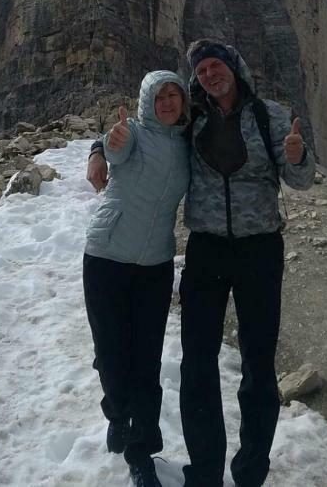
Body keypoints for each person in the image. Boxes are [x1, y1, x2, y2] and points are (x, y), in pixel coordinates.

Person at [87, 40, 315, 487]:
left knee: (258, 366)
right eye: (203, 70)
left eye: (217, 66)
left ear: (235, 67)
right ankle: (205, 474)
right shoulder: (192, 116)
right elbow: (141, 128)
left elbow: (301, 179)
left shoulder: (270, 114)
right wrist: (98, 149)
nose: (210, 74)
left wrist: (298, 156)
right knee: (197, 365)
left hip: (260, 251)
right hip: (206, 249)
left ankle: (250, 472)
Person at [83, 70, 190, 487]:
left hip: (156, 264)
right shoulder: (132, 135)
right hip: (107, 255)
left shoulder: (186, 143)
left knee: (146, 361)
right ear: (147, 100)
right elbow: (116, 148)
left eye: (173, 96)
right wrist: (105, 146)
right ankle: (117, 412)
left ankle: (141, 450)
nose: (166, 103)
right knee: (110, 354)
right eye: (158, 96)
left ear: (182, 102)